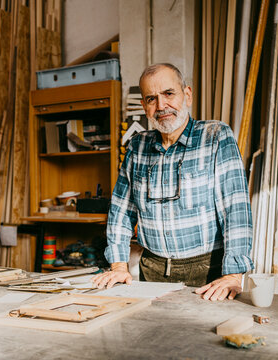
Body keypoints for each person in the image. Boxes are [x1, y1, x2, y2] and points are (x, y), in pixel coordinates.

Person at [92, 63, 253, 301]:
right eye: (151, 99)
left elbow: (236, 210)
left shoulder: (215, 136)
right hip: (153, 270)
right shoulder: (138, 146)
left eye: (168, 94)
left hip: (207, 272)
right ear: (144, 106)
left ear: (187, 95)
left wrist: (234, 274)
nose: (161, 106)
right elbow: (121, 211)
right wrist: (118, 266)